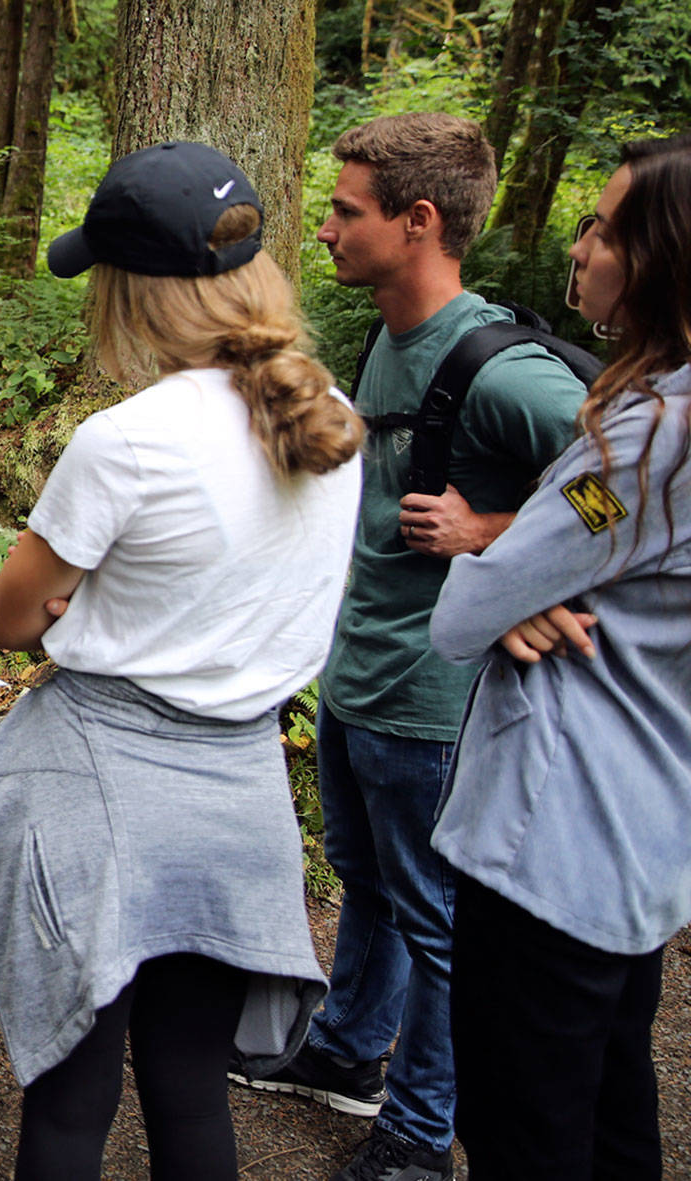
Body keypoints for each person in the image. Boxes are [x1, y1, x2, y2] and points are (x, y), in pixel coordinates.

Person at [0, 141, 363, 1178]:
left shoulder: (125, 440)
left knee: (68, 1097)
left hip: (101, 783)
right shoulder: (326, 421)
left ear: (133, 292)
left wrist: (83, 604)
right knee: (188, 1091)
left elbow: (12, 616)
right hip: (237, 788)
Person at [229, 113, 589, 1181]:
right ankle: (346, 1050)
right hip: (361, 674)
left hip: (435, 698)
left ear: (416, 221)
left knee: (435, 920)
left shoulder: (503, 369)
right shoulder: (390, 330)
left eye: (344, 211)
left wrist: (497, 535)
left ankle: (420, 1133)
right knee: (369, 882)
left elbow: (638, 486)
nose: (327, 230)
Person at [429, 132, 691, 1179]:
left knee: (526, 1134)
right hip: (640, 843)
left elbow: (465, 606)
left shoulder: (637, 446)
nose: (575, 248)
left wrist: (499, 591)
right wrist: (522, 582)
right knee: (612, 1121)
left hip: (556, 844)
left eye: (599, 228)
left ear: (662, 257)